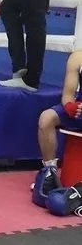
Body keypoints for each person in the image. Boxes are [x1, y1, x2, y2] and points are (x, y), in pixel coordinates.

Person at [34, 48, 82, 199]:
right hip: (80, 109)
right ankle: (50, 174)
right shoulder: (77, 57)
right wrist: (70, 107)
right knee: (46, 118)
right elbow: (68, 94)